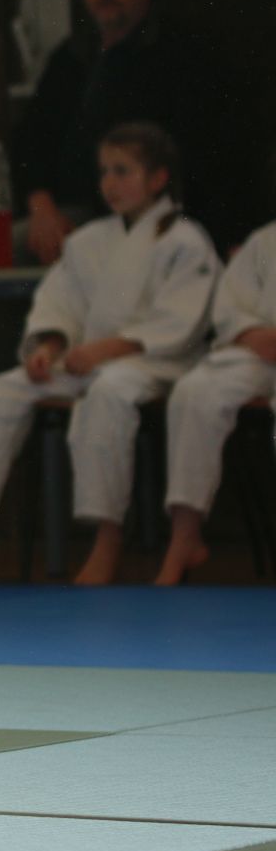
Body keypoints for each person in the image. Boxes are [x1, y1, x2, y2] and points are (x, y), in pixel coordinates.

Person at [0, 122, 220, 586]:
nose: (110, 183)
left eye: (123, 171)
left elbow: (181, 320)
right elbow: (60, 304)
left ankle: (107, 538)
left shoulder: (186, 241)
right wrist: (49, 345)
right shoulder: (91, 240)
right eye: (105, 172)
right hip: (87, 361)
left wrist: (106, 350)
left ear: (158, 179)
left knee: (108, 393)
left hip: (158, 363)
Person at [0, 0, 245, 382]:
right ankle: (43, 353)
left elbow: (215, 154)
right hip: (63, 217)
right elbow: (31, 140)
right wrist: (41, 207)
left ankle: (54, 355)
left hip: (128, 215)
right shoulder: (72, 56)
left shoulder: (179, 56)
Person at [155, 217, 276, 586]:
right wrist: (249, 332)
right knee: (195, 391)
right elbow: (230, 303)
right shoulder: (265, 239)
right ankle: (185, 536)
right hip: (261, 351)